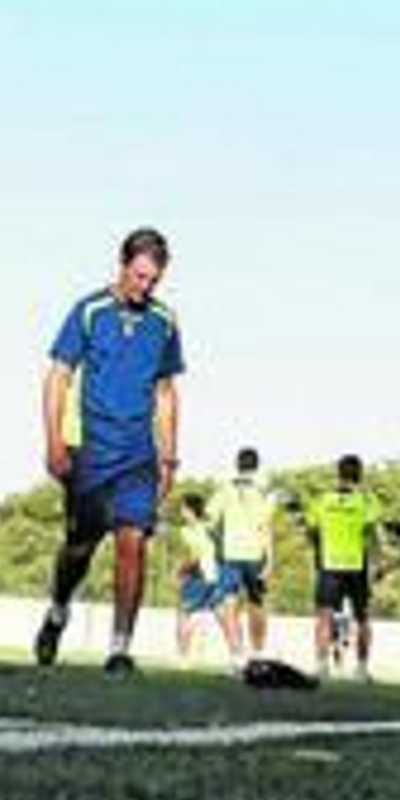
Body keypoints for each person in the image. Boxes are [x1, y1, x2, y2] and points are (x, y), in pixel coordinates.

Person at [34, 227, 184, 675]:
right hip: (90, 451)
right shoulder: (88, 312)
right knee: (78, 549)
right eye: (140, 277)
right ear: (123, 266)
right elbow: (57, 376)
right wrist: (54, 441)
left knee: (132, 543)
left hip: (139, 455)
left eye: (154, 280)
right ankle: (58, 610)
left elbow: (166, 390)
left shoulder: (165, 321)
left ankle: (119, 648)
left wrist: (169, 454)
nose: (146, 287)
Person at [304, 454, 380, 680]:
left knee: (323, 617)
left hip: (330, 565)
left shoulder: (322, 500)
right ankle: (362, 669)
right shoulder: (367, 502)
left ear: (338, 473)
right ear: (360, 475)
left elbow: (312, 531)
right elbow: (371, 535)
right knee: (363, 618)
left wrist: (320, 550)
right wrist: (378, 564)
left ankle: (321, 667)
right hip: (357, 564)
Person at [209, 448, 276, 666]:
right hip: (256, 555)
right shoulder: (263, 492)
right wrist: (271, 558)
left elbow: (209, 521)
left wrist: (214, 546)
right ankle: (258, 653)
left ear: (237, 464)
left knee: (228, 603)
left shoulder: (225, 490)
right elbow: (266, 527)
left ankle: (236, 654)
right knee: (256, 604)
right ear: (256, 466)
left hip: (230, 555)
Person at [173, 492, 227, 664]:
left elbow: (195, 556)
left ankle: (183, 658)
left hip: (199, 576)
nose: (181, 511)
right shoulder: (210, 527)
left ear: (190, 510)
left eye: (183, 508)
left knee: (184, 614)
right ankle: (237, 655)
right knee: (222, 614)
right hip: (215, 575)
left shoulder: (188, 531)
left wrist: (180, 571)